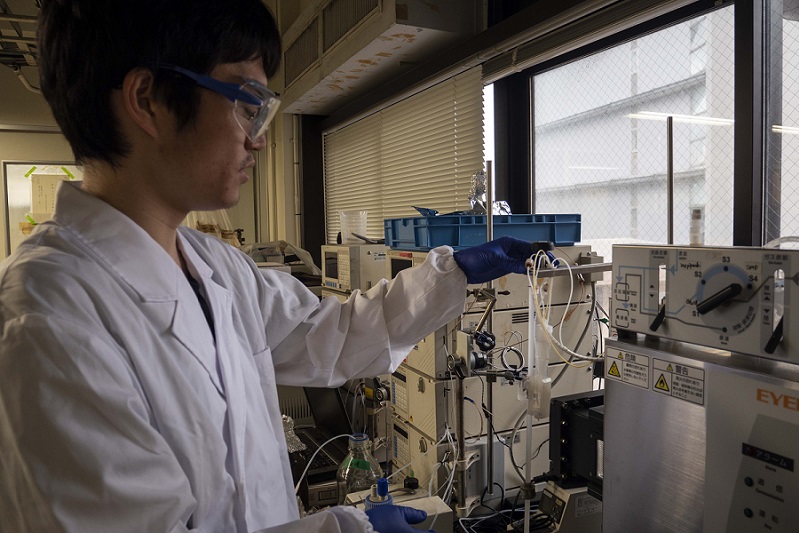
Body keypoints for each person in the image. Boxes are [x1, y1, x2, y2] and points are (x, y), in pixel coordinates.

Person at [0, 1, 532, 532]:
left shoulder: (214, 265)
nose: (257, 137)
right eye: (246, 102)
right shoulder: (50, 320)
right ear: (149, 100)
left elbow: (333, 333)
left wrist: (450, 274)